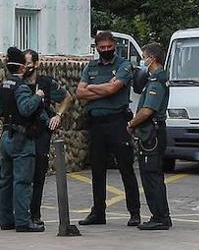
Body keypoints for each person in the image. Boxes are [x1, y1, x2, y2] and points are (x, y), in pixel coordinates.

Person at [75, 30, 142, 226]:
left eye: (109, 47)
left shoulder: (123, 65)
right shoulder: (91, 66)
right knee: (97, 170)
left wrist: (94, 89)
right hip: (96, 124)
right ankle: (98, 212)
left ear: (114, 46)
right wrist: (105, 89)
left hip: (117, 122)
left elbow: (113, 89)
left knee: (125, 168)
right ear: (97, 48)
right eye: (102, 48)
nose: (105, 50)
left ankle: (134, 212)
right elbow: (80, 92)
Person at [0, 46, 47, 233]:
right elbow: (26, 109)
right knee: (22, 181)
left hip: (6, 136)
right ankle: (23, 221)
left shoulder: (3, 86)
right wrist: (38, 97)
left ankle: (5, 218)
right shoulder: (22, 87)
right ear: (22, 68)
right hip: (22, 138)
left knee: (6, 180)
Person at [127, 42, 172, 231]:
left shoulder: (156, 81)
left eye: (144, 57)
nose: (142, 61)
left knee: (151, 176)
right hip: (152, 131)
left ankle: (160, 217)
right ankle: (160, 215)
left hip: (151, 133)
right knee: (151, 175)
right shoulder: (157, 79)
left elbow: (147, 110)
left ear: (151, 59)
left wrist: (131, 123)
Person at [27, 49, 71, 228]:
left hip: (40, 133)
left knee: (38, 173)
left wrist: (58, 115)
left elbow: (67, 97)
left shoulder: (46, 83)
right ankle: (9, 213)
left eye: (29, 64)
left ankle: (34, 213)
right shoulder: (16, 81)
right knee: (17, 174)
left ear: (37, 64)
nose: (26, 67)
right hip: (21, 132)